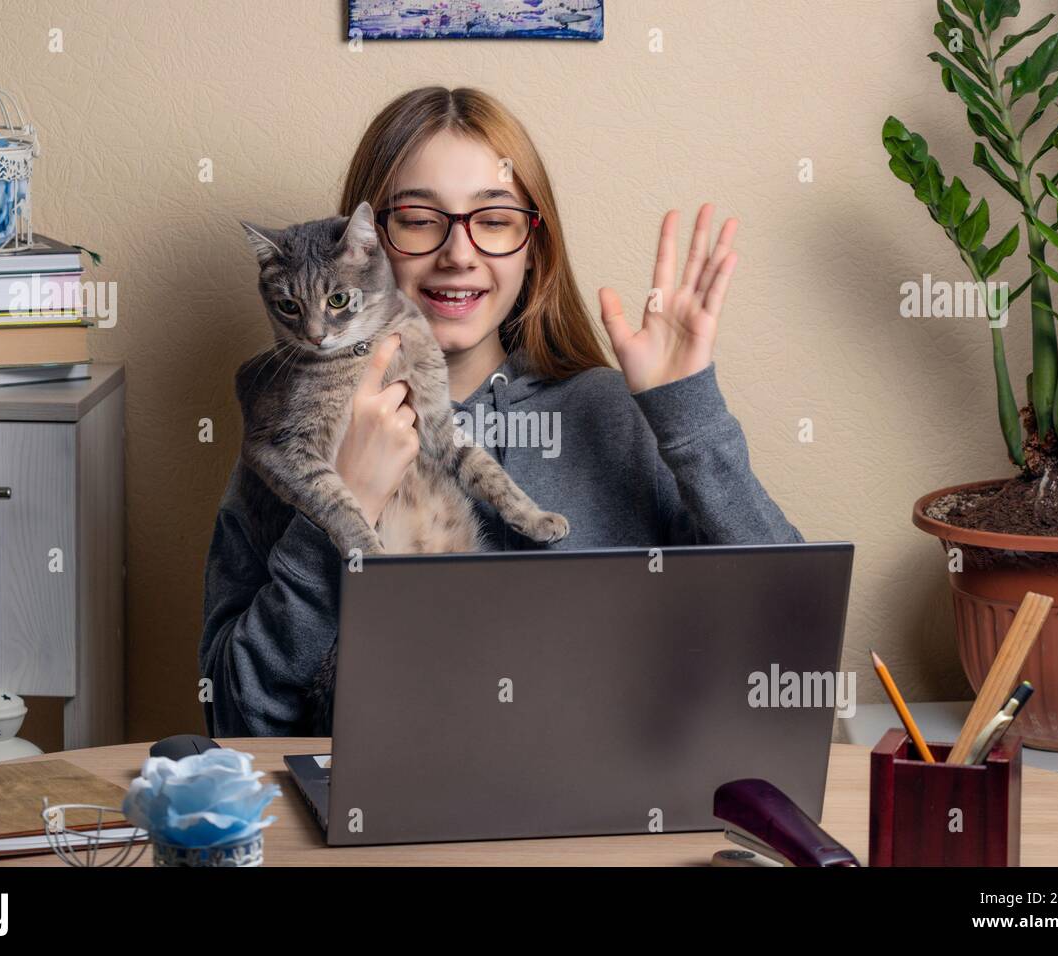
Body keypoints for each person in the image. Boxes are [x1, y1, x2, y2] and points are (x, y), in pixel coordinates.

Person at [200, 86, 802, 737]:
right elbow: (237, 719)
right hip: (389, 828)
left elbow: (790, 636)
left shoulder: (607, 411)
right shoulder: (293, 436)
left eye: (493, 220)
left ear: (531, 247)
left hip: (608, 820)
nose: (459, 254)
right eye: (419, 219)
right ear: (365, 242)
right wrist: (340, 501)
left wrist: (687, 413)